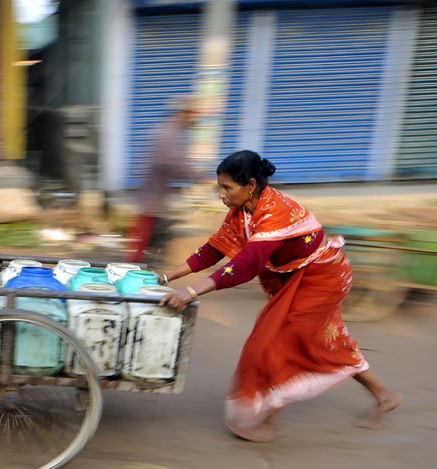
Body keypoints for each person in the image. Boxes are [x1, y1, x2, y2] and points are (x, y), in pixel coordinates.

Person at [158, 150, 401, 442]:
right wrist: (165, 278)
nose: (221, 195)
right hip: (292, 277)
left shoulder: (276, 211)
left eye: (226, 188)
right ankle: (384, 395)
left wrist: (193, 291)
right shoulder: (240, 214)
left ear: (249, 185)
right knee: (329, 341)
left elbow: (245, 266)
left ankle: (267, 413)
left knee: (280, 339)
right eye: (219, 187)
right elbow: (211, 251)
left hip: (321, 277)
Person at [128, 98, 203, 264]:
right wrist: (197, 175)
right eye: (191, 116)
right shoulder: (168, 133)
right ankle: (135, 263)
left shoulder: (170, 131)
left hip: (155, 190)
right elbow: (171, 161)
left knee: (149, 227)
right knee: (145, 229)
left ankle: (142, 258)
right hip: (153, 190)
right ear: (183, 114)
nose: (193, 120)